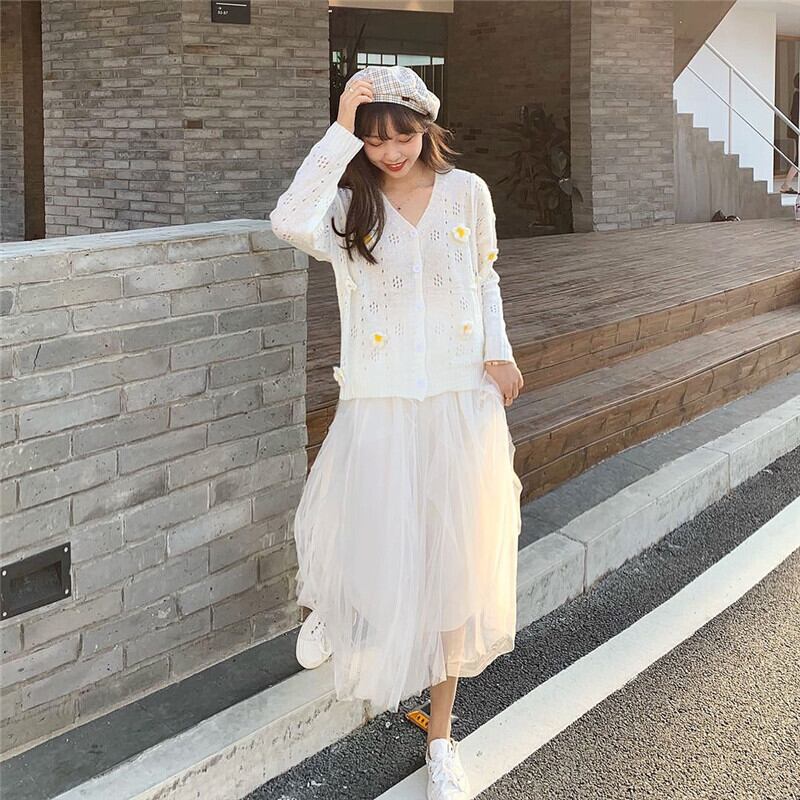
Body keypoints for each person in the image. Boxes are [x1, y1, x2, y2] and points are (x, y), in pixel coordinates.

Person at [269, 65, 524, 800]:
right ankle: (335, 605)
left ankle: (441, 739)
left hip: (458, 398)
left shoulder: (467, 192)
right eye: (374, 139)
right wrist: (338, 132)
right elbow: (286, 220)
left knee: (454, 568)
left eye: (401, 135)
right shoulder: (348, 204)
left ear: (425, 128)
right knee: (366, 526)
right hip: (379, 397)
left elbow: (485, 278)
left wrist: (499, 352)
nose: (390, 152)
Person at [779, 72, 799, 194]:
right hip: (798, 131)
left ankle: (786, 184)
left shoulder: (796, 95)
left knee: (799, 159)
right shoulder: (798, 96)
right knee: (799, 160)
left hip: (797, 130)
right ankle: (786, 184)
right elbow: (795, 116)